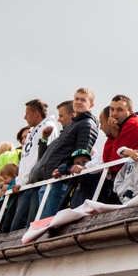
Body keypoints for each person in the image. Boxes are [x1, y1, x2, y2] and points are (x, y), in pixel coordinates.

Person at [40, 88, 99, 219]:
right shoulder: (75, 123)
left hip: (62, 180)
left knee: (50, 223)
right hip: (54, 178)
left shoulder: (87, 124)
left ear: (91, 105)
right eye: (76, 99)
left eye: (83, 100)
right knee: (43, 222)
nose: (78, 102)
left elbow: (80, 155)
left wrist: (63, 170)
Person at [10, 99, 58, 231]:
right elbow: (25, 158)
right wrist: (19, 180)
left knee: (26, 225)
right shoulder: (31, 131)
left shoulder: (47, 127)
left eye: (27, 113)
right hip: (25, 184)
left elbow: (38, 158)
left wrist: (23, 181)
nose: (25, 117)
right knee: (16, 226)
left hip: (34, 183)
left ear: (36, 113)